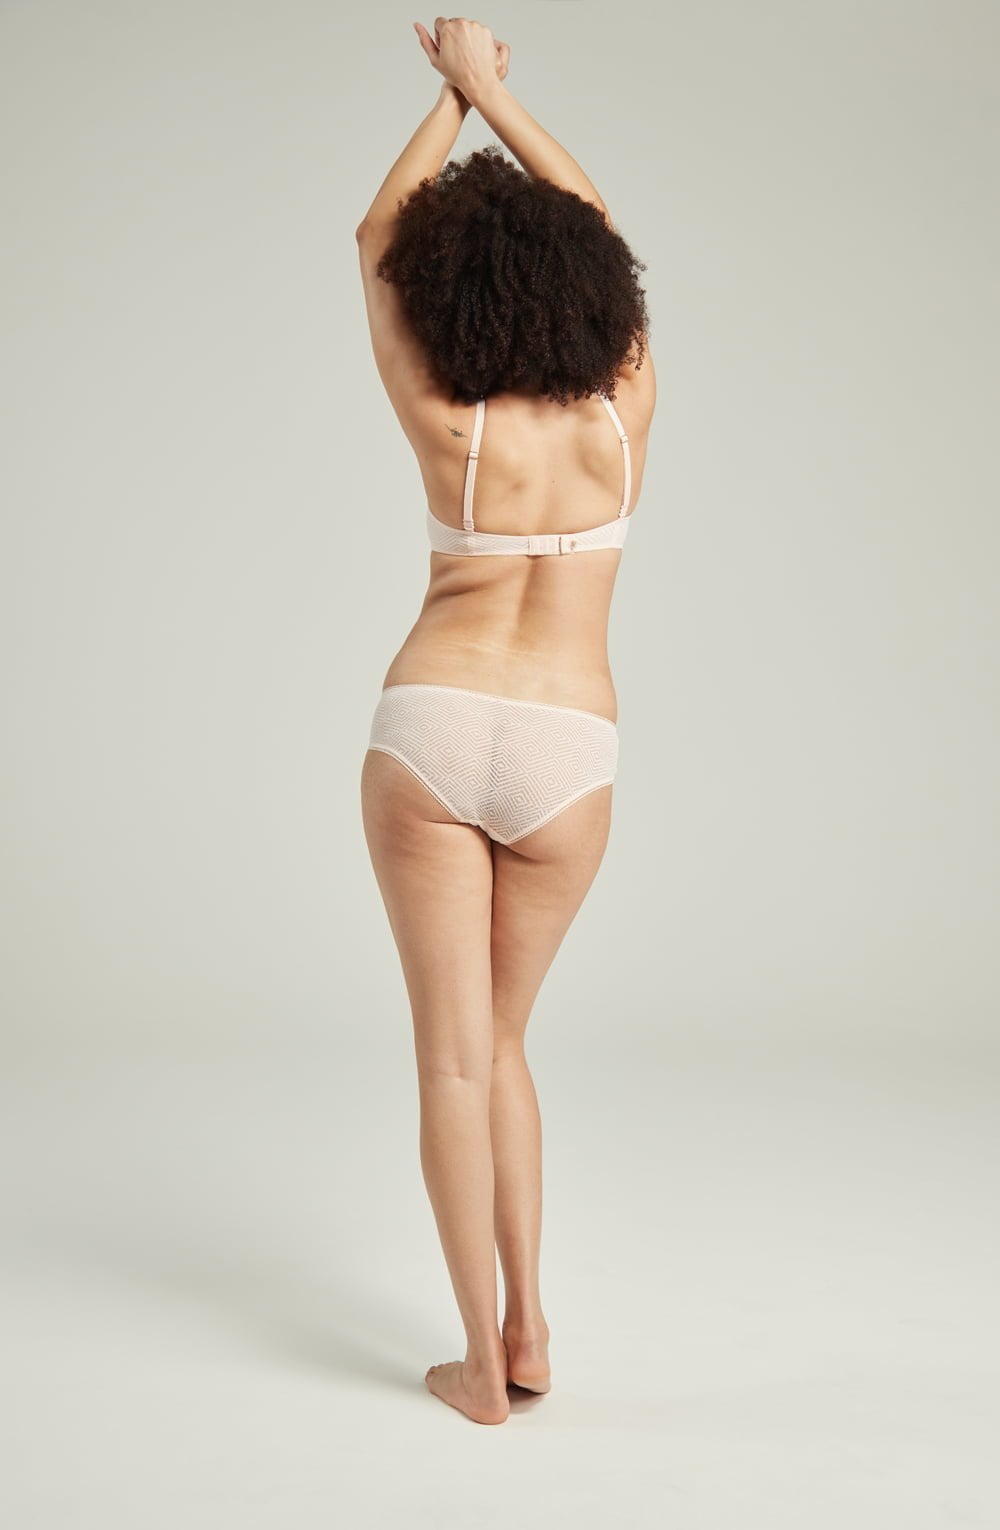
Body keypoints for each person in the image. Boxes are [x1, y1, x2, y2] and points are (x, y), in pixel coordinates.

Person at [356, 16, 656, 1425]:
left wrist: (449, 100)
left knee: (452, 1057)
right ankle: (530, 1326)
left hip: (432, 724)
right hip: (566, 752)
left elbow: (375, 234)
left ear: (453, 297)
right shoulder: (621, 412)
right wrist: (498, 96)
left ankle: (476, 1361)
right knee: (510, 1044)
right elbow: (598, 221)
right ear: (595, 293)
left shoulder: (449, 420)